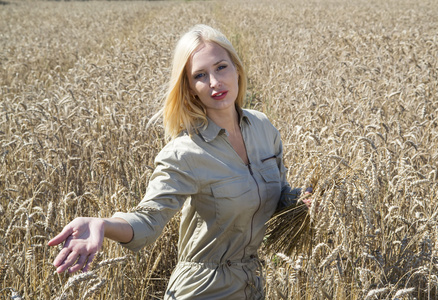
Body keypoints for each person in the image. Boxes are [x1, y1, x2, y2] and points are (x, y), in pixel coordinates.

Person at [48, 24, 310, 300]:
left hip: (252, 286)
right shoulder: (184, 153)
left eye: (221, 67)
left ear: (237, 68)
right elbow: (148, 221)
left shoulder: (262, 126)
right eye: (200, 75)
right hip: (203, 289)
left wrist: (305, 201)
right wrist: (103, 224)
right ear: (190, 87)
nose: (214, 83)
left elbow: (278, 196)